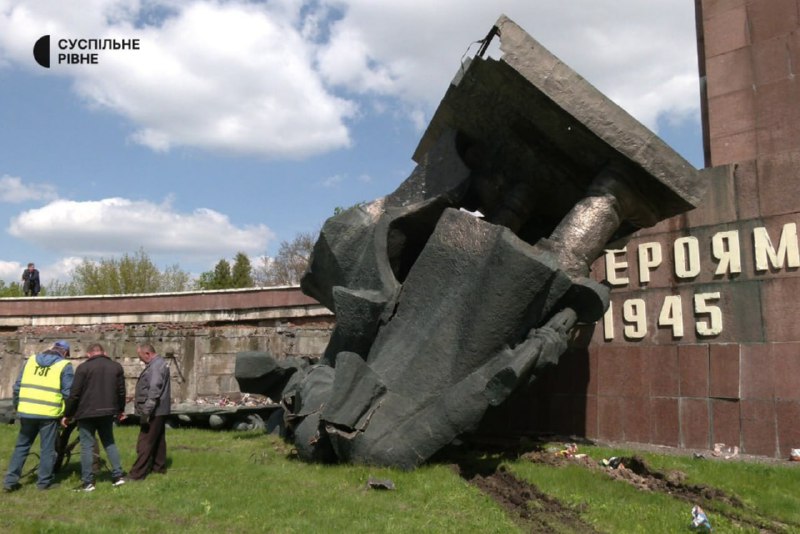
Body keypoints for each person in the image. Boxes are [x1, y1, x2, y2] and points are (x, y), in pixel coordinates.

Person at [3, 341, 74, 492]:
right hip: (49, 414)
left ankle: (10, 481)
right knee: (47, 449)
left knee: (22, 446)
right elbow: (68, 394)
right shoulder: (64, 365)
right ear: (65, 353)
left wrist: (17, 405)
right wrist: (68, 414)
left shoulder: (31, 361)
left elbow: (17, 386)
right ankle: (43, 483)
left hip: (27, 411)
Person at [62, 343, 127, 491]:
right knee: (109, 442)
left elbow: (75, 393)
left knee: (87, 446)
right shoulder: (116, 367)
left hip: (86, 412)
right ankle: (118, 476)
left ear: (88, 354)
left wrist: (68, 414)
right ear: (103, 352)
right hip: (108, 411)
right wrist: (120, 410)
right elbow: (121, 391)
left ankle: (88, 482)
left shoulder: (83, 368)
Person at [129, 343, 171, 480]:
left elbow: (154, 390)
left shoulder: (156, 366)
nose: (140, 359)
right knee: (158, 439)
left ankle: (137, 474)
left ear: (147, 354)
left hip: (154, 410)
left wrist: (146, 412)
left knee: (145, 442)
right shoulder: (159, 363)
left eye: (140, 356)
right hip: (160, 409)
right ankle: (159, 468)